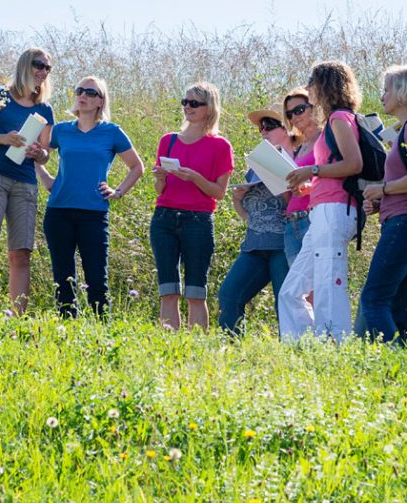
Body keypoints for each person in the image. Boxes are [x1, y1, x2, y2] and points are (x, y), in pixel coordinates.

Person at [33, 76, 143, 317]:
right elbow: (39, 155)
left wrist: (118, 192)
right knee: (63, 278)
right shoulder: (61, 130)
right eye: (79, 90)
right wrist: (46, 178)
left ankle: (101, 331)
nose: (82, 96)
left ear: (100, 101)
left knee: (96, 278)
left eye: (90, 93)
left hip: (94, 213)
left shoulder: (112, 132)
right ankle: (67, 330)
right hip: (59, 211)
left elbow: (137, 167)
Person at [354, 65, 407, 345]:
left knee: (374, 299)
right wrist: (383, 200)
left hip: (406, 223)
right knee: (405, 307)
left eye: (387, 90)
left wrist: (383, 189)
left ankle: (391, 361)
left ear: (403, 93)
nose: (382, 97)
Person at [279, 61, 363, 342]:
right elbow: (335, 168)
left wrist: (311, 170)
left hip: (335, 209)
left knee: (329, 282)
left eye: (312, 83)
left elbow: (353, 163)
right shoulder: (334, 120)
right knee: (291, 290)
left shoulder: (340, 118)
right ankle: (303, 346)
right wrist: (311, 185)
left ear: (324, 85)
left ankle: (335, 344)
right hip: (321, 209)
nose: (309, 89)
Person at [0, 48, 55, 315]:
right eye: (38, 65)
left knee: (21, 252)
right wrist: (5, 137)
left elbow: (46, 154)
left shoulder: (45, 109)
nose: (42, 71)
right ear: (24, 65)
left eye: (47, 68)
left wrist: (38, 153)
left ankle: (17, 319)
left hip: (25, 182)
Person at [150, 82, 233, 330]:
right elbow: (159, 190)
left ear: (210, 108)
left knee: (196, 290)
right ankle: (170, 345)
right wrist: (160, 178)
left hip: (198, 219)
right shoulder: (169, 140)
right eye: (185, 102)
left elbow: (219, 193)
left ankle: (196, 347)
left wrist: (195, 178)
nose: (188, 107)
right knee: (167, 289)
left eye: (194, 103)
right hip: (163, 217)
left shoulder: (221, 146)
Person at [217, 105, 293, 337]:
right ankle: (231, 348)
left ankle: (292, 356)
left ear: (286, 128)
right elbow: (248, 215)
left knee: (286, 304)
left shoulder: (299, 159)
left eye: (269, 126)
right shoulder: (257, 164)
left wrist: (281, 187)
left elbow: (299, 205)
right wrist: (238, 199)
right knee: (229, 294)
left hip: (283, 244)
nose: (263, 131)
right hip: (254, 244)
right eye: (261, 127)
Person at [281, 88, 323, 266]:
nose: (294, 118)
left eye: (299, 110)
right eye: (290, 114)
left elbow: (338, 176)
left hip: (311, 217)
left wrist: (309, 185)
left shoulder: (326, 138)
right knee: (299, 289)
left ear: (314, 107)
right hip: (291, 222)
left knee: (312, 287)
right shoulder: (300, 146)